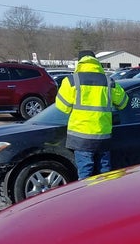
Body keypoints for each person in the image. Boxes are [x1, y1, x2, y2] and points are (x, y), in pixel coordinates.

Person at [55, 50, 129, 179]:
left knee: (85, 172)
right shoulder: (108, 81)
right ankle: (104, 197)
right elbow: (123, 102)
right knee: (105, 172)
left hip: (80, 136)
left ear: (79, 62)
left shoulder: (72, 80)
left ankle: (87, 198)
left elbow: (62, 107)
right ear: (96, 61)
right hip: (103, 135)